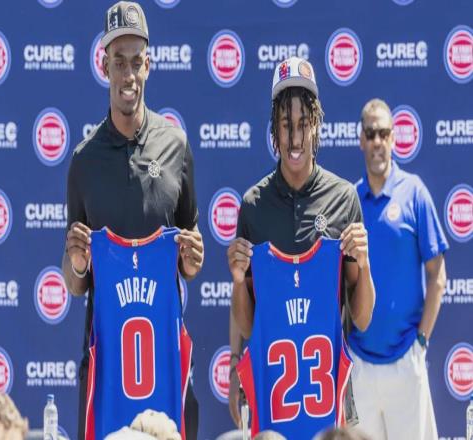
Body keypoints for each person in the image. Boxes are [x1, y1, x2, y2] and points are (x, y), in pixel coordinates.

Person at [62, 2, 203, 439]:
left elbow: (190, 254)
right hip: (106, 364)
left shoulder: (175, 145)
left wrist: (194, 257)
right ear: (105, 66)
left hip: (165, 358)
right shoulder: (84, 160)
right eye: (119, 62)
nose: (128, 75)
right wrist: (78, 264)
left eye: (136, 62)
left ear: (149, 65)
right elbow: (74, 281)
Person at [227, 57, 375, 437]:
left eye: (303, 123)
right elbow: (248, 323)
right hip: (271, 401)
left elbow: (361, 319)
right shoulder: (253, 205)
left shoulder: (343, 198)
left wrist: (364, 265)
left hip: (331, 403)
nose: (295, 138)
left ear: (317, 125)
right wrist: (238, 281)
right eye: (285, 124)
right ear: (273, 128)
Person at [348, 98, 448, 440]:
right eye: (370, 134)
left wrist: (421, 341)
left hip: (406, 359)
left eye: (383, 133)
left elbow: (438, 276)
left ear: (393, 138)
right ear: (361, 140)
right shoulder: (349, 201)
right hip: (360, 364)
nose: (377, 141)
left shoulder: (414, 192)